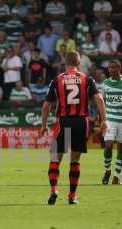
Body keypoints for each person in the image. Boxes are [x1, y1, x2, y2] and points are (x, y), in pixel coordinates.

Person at [40, 51, 107, 205]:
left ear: (65, 62)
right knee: (75, 160)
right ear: (78, 63)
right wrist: (104, 120)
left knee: (55, 158)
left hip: (63, 121)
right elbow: (99, 100)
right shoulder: (86, 79)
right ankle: (72, 195)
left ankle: (54, 190)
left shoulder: (57, 80)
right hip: (81, 123)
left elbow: (46, 106)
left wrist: (43, 125)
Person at [101, 60, 122, 185]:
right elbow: (102, 102)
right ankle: (107, 170)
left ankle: (116, 176)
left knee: (121, 148)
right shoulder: (105, 83)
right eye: (109, 68)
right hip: (110, 120)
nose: (111, 70)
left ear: (119, 68)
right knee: (108, 145)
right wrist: (102, 118)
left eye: (113, 67)